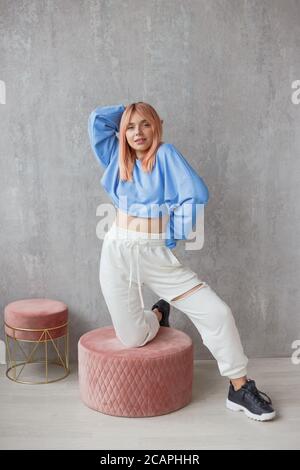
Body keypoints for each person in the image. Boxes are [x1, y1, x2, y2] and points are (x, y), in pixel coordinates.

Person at [88, 102, 276, 422]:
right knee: (132, 339)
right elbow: (96, 120)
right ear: (122, 131)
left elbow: (195, 194)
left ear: (157, 126)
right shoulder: (116, 157)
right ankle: (159, 313)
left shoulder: (165, 155)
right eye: (130, 126)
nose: (138, 133)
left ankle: (239, 386)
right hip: (116, 252)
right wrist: (130, 110)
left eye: (145, 125)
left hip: (153, 253)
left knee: (217, 313)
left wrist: (172, 234)